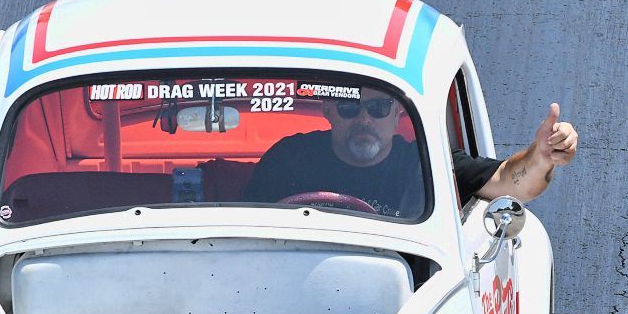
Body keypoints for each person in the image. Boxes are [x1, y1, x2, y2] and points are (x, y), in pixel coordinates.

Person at [243, 87, 579, 214]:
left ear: (397, 114)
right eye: (348, 107)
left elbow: (510, 182)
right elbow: (247, 233)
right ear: (328, 110)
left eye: (377, 108)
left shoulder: (425, 163)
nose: (363, 119)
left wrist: (541, 156)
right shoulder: (287, 158)